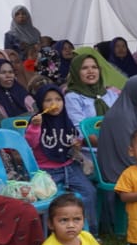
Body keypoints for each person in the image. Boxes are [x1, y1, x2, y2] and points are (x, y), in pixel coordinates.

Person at [25, 84, 99, 222]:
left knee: (89, 192)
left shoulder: (66, 119)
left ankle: (90, 233)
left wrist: (77, 143)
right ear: (41, 103)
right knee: (45, 198)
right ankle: (50, 230)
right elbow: (31, 143)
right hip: (46, 170)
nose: (54, 104)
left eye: (58, 100)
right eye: (48, 100)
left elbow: (72, 140)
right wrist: (35, 127)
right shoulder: (37, 121)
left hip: (69, 167)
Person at [64, 48, 125, 129]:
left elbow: (123, 118)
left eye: (94, 67)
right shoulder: (72, 97)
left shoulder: (111, 93)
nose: (90, 71)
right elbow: (79, 126)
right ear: (76, 72)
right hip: (90, 140)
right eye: (84, 68)